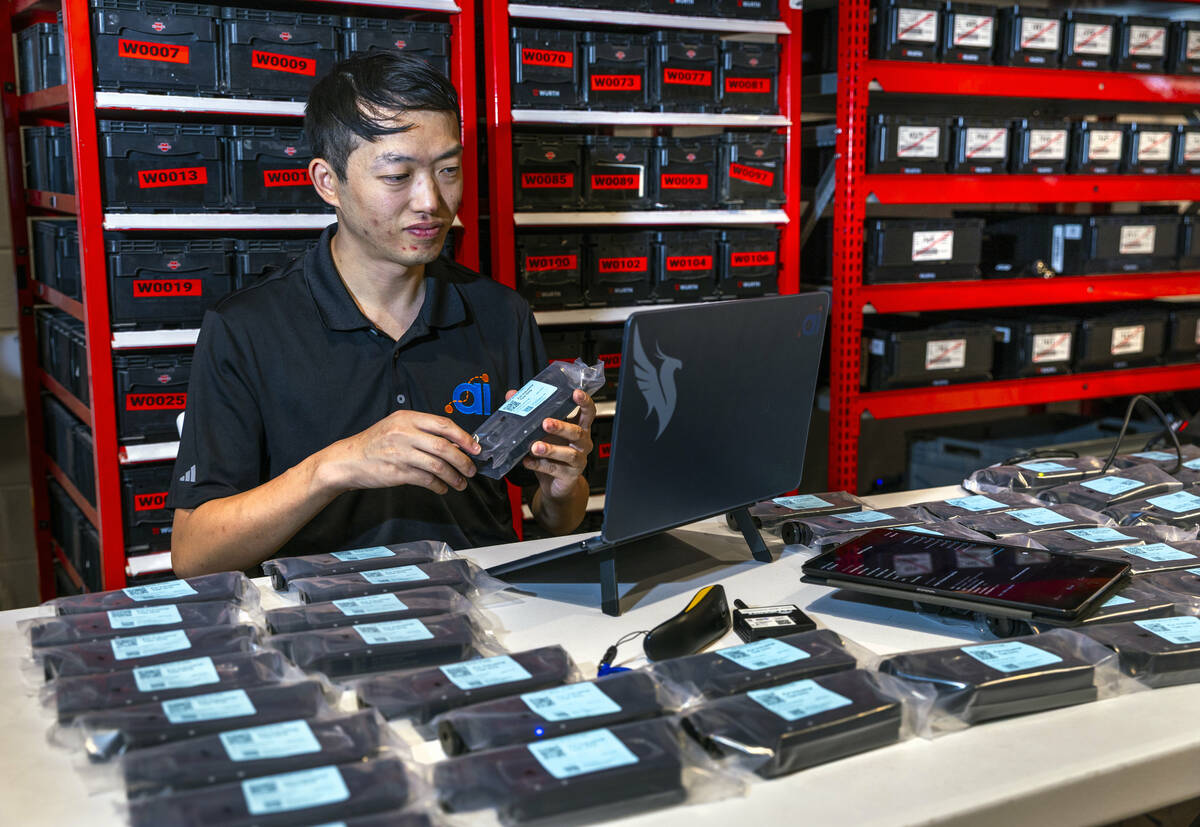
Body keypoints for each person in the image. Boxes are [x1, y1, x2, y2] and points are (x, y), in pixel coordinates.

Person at [166, 53, 594, 577]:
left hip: (482, 600)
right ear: (328, 182)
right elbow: (194, 556)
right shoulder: (246, 328)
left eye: (448, 170)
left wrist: (562, 486)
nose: (431, 201)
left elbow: (556, 519)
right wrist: (335, 467)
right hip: (321, 610)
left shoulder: (501, 313)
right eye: (397, 175)